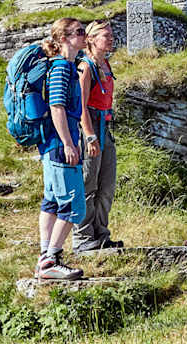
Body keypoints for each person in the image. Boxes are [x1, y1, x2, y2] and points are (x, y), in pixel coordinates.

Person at [35, 17, 88, 280]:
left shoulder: (63, 66)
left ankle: (45, 257)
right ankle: (50, 260)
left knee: (52, 202)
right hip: (59, 144)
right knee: (74, 204)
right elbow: (57, 107)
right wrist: (69, 143)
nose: (84, 35)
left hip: (51, 144)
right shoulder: (62, 68)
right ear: (64, 38)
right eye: (79, 32)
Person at [74, 20, 123, 251]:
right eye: (106, 35)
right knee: (88, 184)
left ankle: (101, 235)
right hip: (91, 128)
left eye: (111, 34)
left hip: (105, 127)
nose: (111, 38)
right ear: (91, 39)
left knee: (106, 185)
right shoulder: (85, 67)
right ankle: (83, 237)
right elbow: (81, 106)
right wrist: (90, 136)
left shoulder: (106, 65)